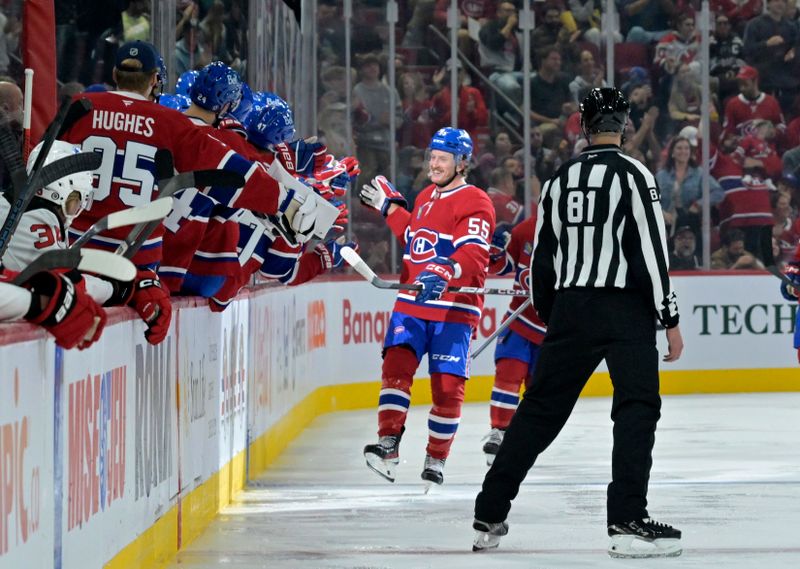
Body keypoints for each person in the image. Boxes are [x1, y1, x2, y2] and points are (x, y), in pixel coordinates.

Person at [473, 87, 684, 558]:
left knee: (539, 409)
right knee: (636, 408)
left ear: (584, 125)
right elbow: (651, 252)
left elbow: (543, 258)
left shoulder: (560, 180)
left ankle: (489, 506)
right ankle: (627, 518)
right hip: (626, 309)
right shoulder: (635, 175)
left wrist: (555, 312)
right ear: (624, 125)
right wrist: (669, 317)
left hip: (570, 306)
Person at [359, 128, 495, 489]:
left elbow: (474, 252)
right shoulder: (423, 197)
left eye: (443, 158)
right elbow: (415, 237)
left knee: (447, 389)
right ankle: (388, 443)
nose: (434, 164)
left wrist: (446, 269)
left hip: (454, 306)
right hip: (412, 303)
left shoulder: (476, 200)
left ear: (461, 163)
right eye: (432, 157)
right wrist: (390, 209)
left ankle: (436, 456)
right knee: (396, 366)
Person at [482, 216, 546, 465]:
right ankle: (499, 431)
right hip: (519, 321)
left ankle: (525, 437)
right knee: (508, 374)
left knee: (539, 390)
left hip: (552, 330)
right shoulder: (526, 229)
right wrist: (495, 252)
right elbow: (503, 267)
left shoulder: (575, 234)